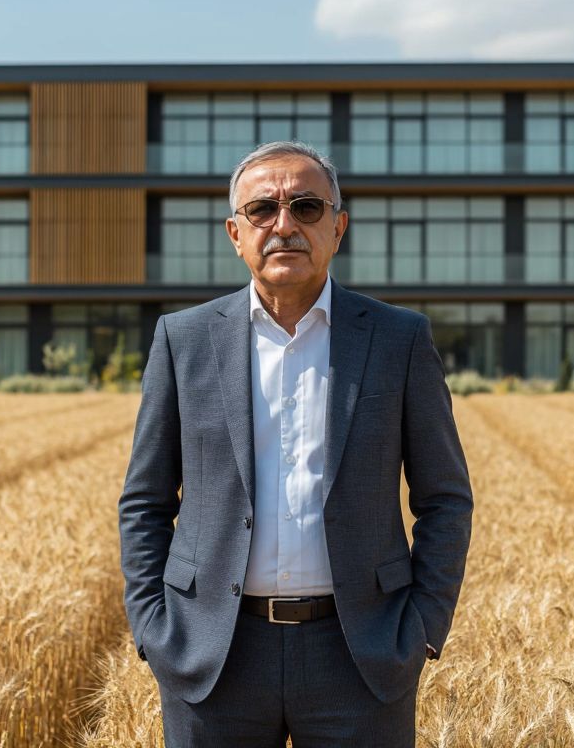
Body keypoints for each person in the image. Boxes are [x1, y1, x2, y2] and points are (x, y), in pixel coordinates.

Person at [119, 140, 473, 746]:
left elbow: (444, 498)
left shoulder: (399, 339)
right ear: (236, 232)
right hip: (214, 655)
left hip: (359, 653)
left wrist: (421, 628)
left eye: (306, 207)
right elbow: (146, 501)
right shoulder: (184, 340)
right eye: (263, 210)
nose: (284, 225)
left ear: (338, 227)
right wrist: (156, 629)